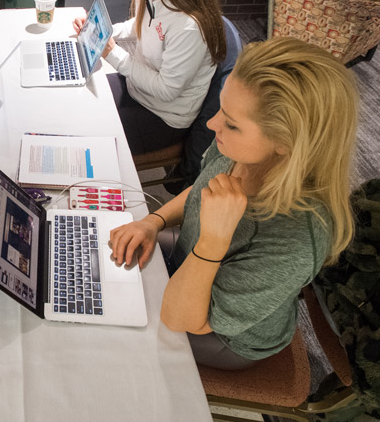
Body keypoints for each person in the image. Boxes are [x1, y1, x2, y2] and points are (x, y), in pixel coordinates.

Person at [108, 37, 359, 370]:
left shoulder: (294, 242)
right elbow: (200, 190)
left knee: (111, 333)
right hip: (192, 259)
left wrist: (214, 239)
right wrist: (151, 222)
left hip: (227, 338)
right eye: (221, 110)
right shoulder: (239, 150)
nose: (213, 125)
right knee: (103, 256)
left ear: (285, 143)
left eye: (232, 123)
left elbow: (181, 318)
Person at [75, 0, 226, 154]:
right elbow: (140, 24)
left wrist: (112, 53)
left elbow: (167, 90)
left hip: (163, 116)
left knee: (88, 139)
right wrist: (102, 31)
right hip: (137, 89)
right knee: (77, 102)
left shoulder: (190, 28)